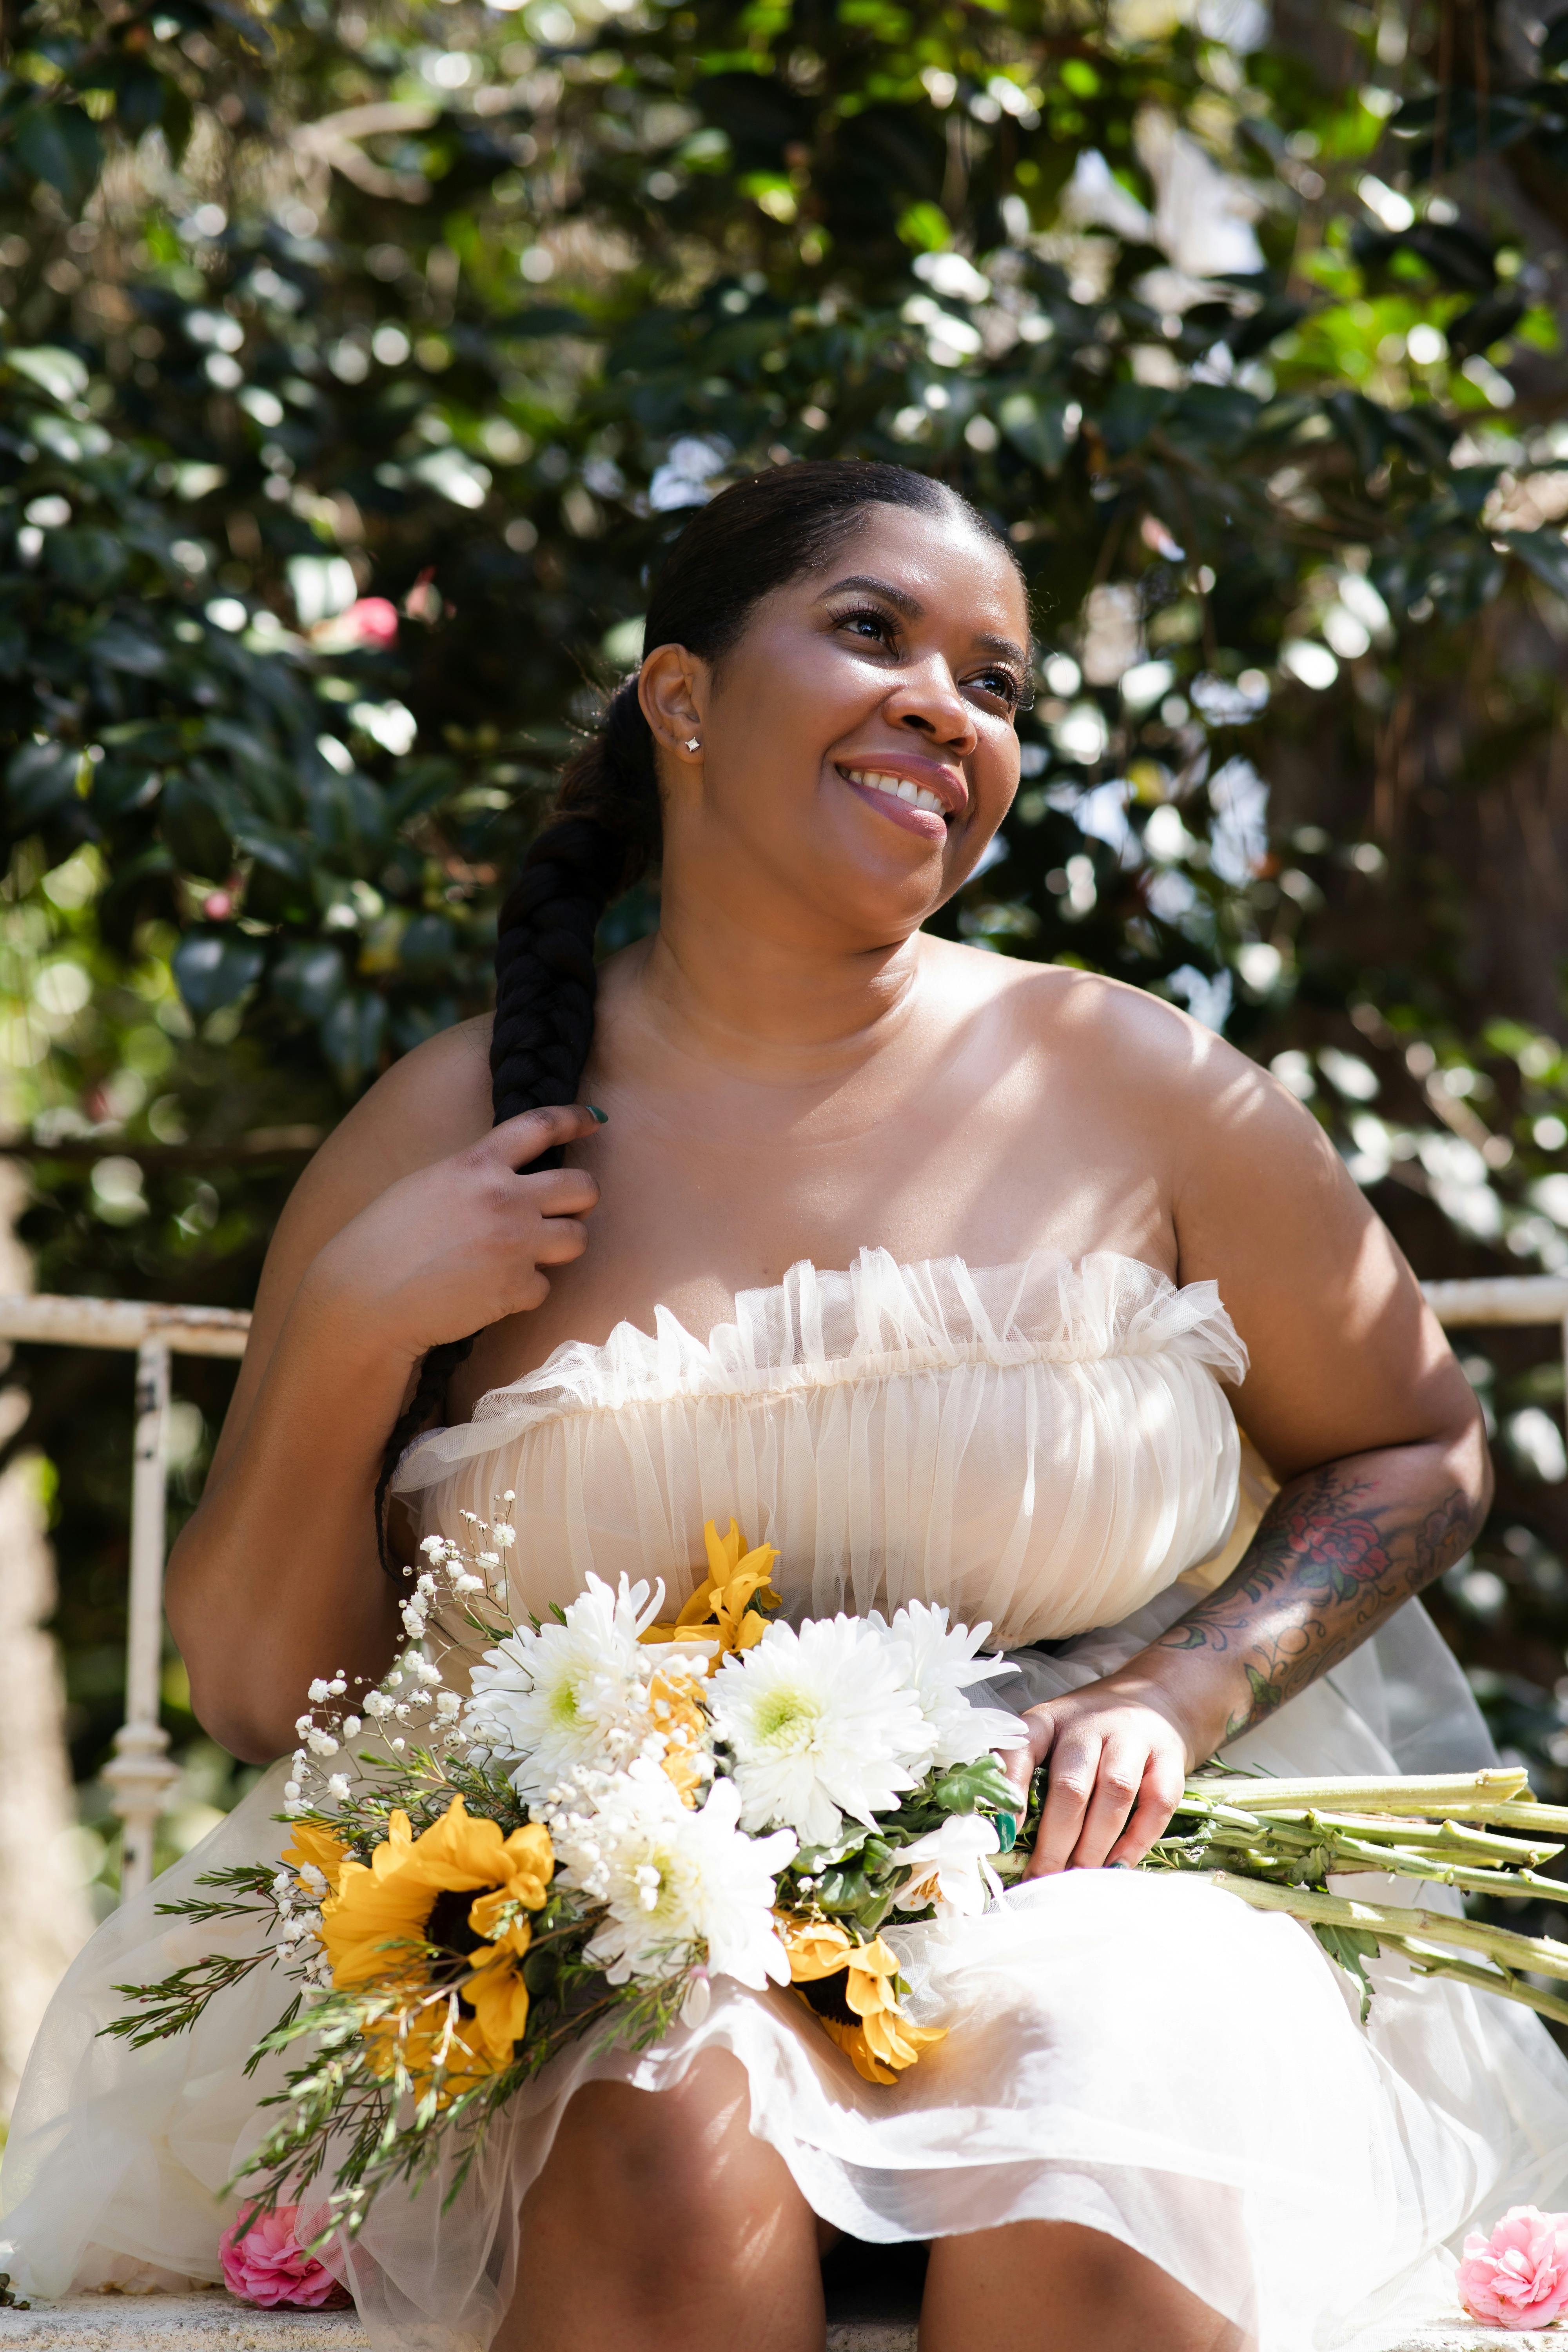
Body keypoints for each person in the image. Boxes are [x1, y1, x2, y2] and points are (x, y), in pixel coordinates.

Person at [5, 458, 1568, 2352]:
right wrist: (350, 1323)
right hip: (601, 1931)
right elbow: (264, 1699)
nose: (946, 705)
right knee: (662, 2126)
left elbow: (1415, 1443)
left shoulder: (1138, 1085)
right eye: (871, 633)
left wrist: (1184, 1686)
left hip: (1093, 1891)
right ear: (681, 698)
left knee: (1103, 2112)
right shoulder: (453, 1133)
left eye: (995, 683)